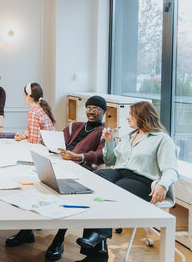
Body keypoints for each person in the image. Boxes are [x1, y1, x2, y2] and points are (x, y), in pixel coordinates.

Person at [6, 95, 108, 261]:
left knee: (64, 198)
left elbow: (101, 156)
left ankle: (58, 240)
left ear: (104, 111)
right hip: (60, 164)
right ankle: (26, 231)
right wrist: (54, 148)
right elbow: (59, 141)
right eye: (89, 108)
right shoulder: (75, 126)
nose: (91, 112)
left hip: (80, 172)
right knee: (33, 187)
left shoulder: (103, 133)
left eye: (95, 109)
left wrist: (77, 156)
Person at [75, 101, 178, 261]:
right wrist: (110, 141)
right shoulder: (130, 136)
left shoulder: (162, 139)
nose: (127, 118)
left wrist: (163, 184)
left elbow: (171, 168)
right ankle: (99, 246)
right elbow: (110, 160)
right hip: (121, 173)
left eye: (130, 115)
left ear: (142, 116)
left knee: (112, 192)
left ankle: (97, 242)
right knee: (95, 181)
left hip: (144, 181)